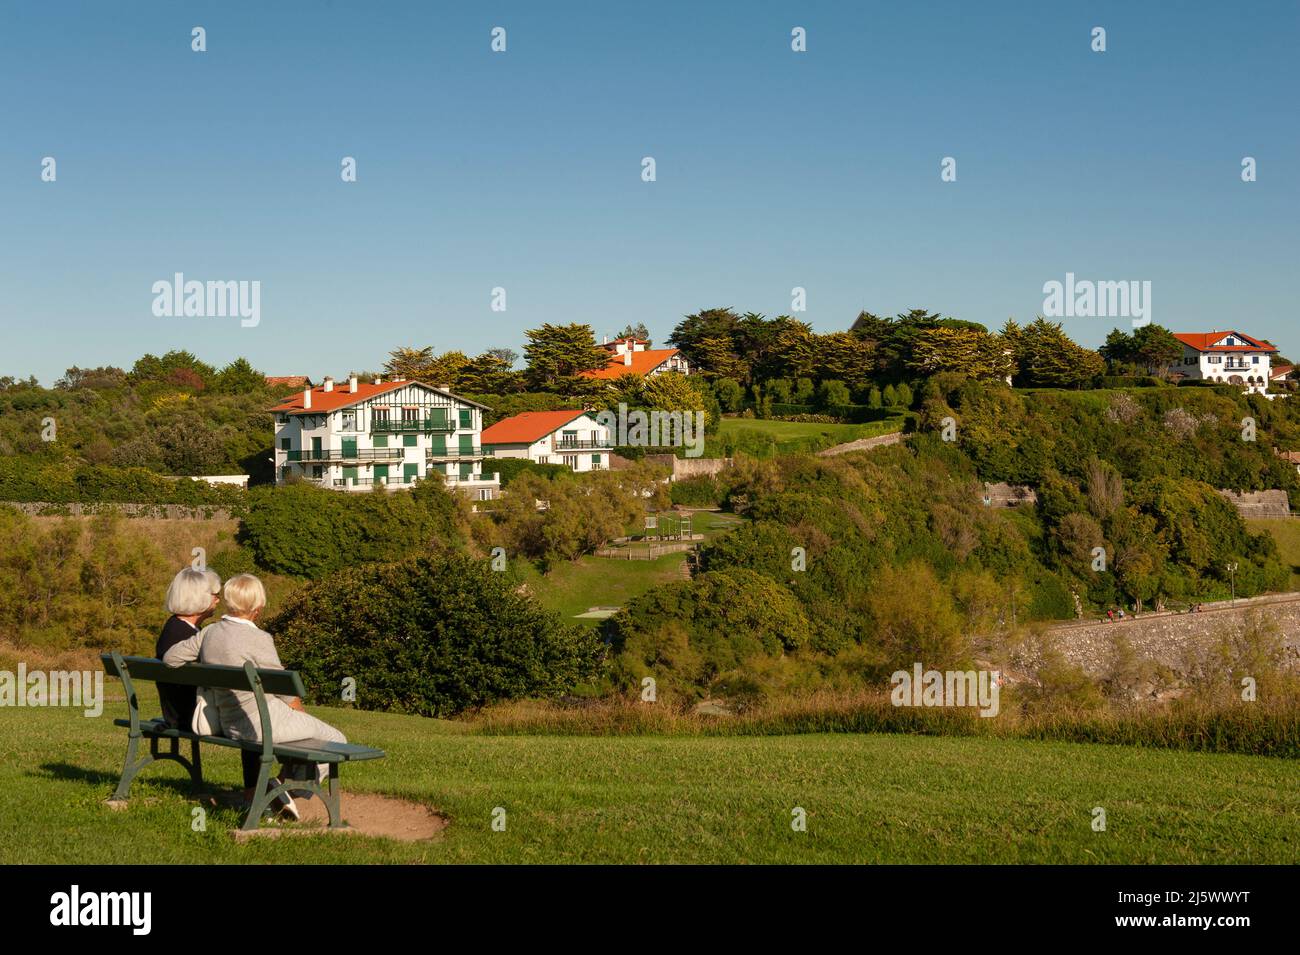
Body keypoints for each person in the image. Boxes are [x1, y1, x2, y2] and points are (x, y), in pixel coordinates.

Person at [163, 573, 347, 820]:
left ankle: (277, 788)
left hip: (229, 724)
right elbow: (284, 689)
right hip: (262, 724)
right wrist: (299, 713)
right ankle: (279, 789)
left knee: (307, 738)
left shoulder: (209, 633)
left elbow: (170, 658)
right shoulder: (260, 638)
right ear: (258, 608)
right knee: (336, 739)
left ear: (229, 602)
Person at [157, 568, 274, 815]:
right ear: (198, 598)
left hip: (175, 714)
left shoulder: (173, 630)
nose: (218, 600)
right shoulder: (192, 636)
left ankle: (257, 791)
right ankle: (257, 794)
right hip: (192, 718)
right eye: (213, 595)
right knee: (249, 721)